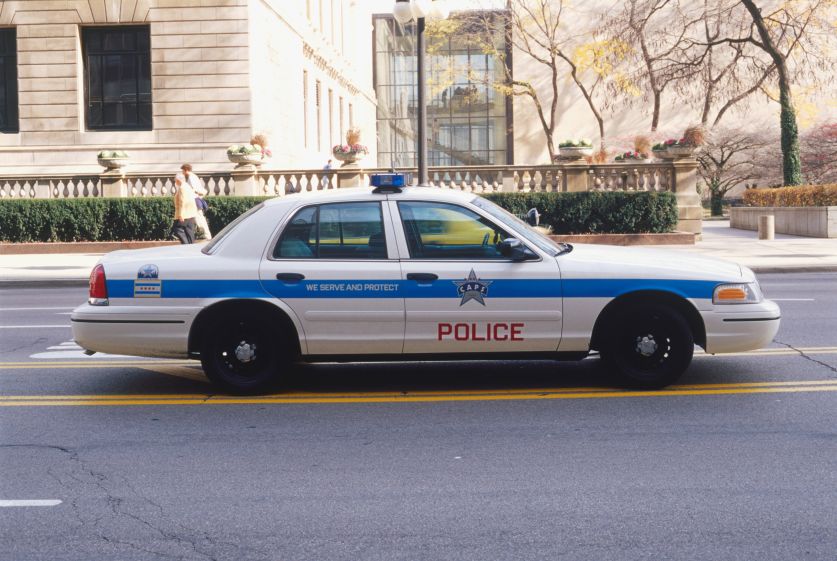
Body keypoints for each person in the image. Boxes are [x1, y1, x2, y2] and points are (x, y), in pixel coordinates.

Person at [181, 163, 212, 240]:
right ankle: (204, 235)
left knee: (199, 219)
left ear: (186, 170)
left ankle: (206, 235)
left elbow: (195, 189)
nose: (182, 173)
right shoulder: (192, 177)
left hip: (194, 200)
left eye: (183, 171)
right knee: (197, 218)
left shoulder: (191, 177)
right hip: (194, 200)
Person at [171, 173, 197, 244]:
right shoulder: (187, 186)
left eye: (175, 180)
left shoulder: (182, 188)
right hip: (190, 213)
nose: (175, 182)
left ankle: (186, 245)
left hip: (185, 214)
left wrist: (181, 214)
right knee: (189, 231)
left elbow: (183, 201)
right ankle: (191, 246)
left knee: (177, 229)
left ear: (178, 180)